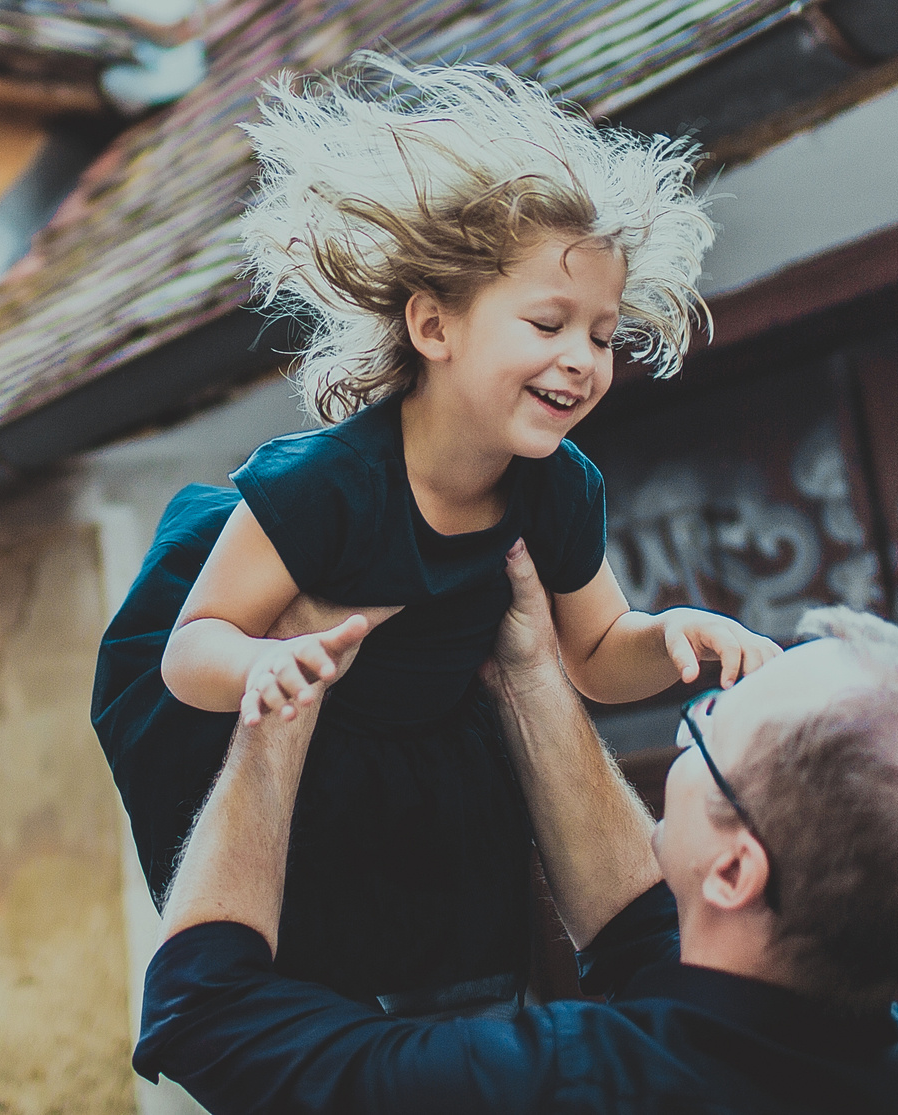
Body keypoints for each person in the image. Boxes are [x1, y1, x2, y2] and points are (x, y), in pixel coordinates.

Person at [92, 57, 781, 1006]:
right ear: (433, 326)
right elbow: (189, 648)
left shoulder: (559, 487)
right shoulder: (325, 487)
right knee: (307, 992)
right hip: (307, 765)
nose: (581, 359)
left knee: (460, 983)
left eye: (600, 334)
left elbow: (594, 656)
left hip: (436, 768)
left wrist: (672, 637)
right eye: (548, 323)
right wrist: (260, 666)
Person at [134, 543, 898, 1113]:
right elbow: (654, 939)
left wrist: (284, 690)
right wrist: (528, 672)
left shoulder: (562, 1088)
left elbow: (208, 1012)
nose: (691, 724)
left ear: (733, 870)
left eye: (713, 721)